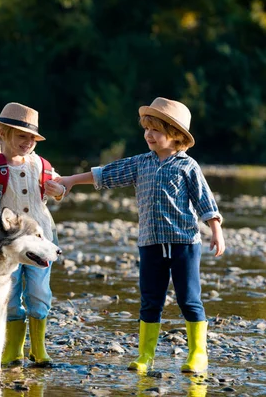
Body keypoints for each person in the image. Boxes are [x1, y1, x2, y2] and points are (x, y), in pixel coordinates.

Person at [56, 97, 225, 373]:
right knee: (150, 300)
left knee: (189, 298)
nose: (149, 135)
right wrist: (71, 180)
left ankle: (198, 354)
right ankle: (146, 355)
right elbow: (107, 174)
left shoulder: (188, 167)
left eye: (156, 130)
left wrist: (216, 231)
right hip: (150, 244)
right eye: (146, 129)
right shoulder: (140, 163)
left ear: (177, 135)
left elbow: (206, 201)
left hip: (184, 244)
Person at [0, 102, 66, 366]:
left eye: (32, 138)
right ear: (3, 134)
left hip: (41, 241)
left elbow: (58, 186)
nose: (27, 142)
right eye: (21, 136)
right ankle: (13, 348)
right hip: (8, 245)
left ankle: (39, 348)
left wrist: (57, 189)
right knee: (9, 296)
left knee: (38, 292)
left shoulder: (40, 164)